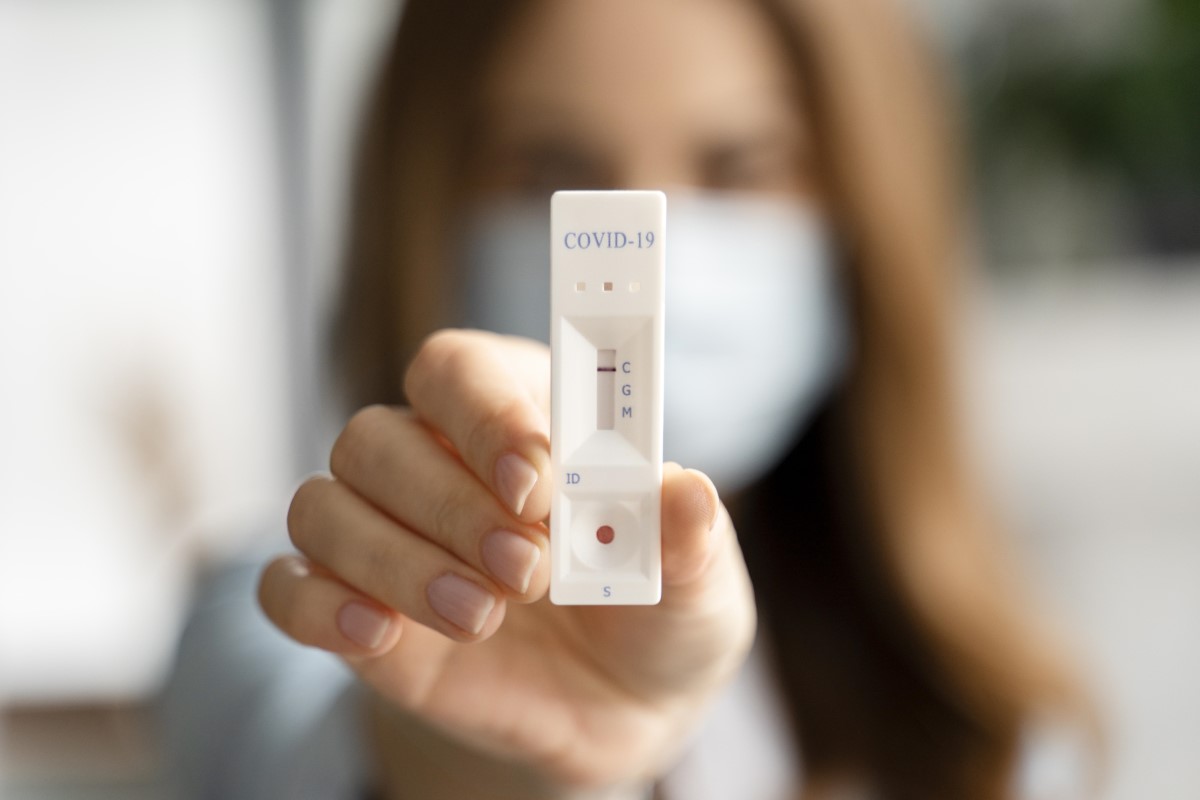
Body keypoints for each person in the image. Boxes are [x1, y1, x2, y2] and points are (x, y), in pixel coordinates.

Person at [167, 0, 1091, 798]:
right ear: (423, 201)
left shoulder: (977, 711)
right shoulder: (284, 613)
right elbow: (291, 748)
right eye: (548, 170)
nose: (641, 252)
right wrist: (493, 760)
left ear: (867, 215)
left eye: (741, 167)